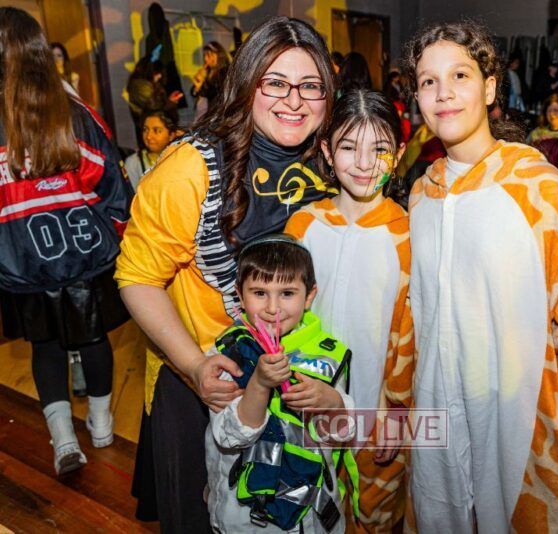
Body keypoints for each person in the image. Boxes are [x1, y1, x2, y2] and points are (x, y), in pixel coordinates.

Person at [115, 17, 337, 532]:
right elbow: (138, 276)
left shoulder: (331, 160)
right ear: (246, 84)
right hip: (207, 379)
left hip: (298, 376)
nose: (294, 101)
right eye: (275, 83)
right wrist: (194, 366)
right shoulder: (190, 167)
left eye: (310, 85)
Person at [402, 20, 558, 533]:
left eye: (460, 75)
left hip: (519, 415)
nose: (443, 92)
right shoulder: (421, 194)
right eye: (428, 81)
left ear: (491, 87)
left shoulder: (538, 187)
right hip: (437, 408)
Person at [0, 7, 132, 475]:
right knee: (94, 340)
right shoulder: (77, 115)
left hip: (23, 265)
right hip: (86, 258)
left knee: (46, 349)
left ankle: (64, 441)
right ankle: (102, 424)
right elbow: (114, 189)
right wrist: (115, 239)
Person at [284, 89, 415, 532]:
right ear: (326, 150)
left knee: (370, 517)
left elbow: (410, 336)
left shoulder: (408, 235)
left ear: (398, 154)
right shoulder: (303, 225)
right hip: (303, 407)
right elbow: (279, 319)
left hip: (373, 417)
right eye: (347, 147)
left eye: (379, 149)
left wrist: (395, 414)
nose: (363, 164)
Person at [206, 236, 356, 533]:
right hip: (246, 517)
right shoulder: (227, 353)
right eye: (259, 293)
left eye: (287, 293)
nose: (273, 308)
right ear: (240, 295)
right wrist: (260, 384)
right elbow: (230, 436)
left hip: (312, 516)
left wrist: (333, 402)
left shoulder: (328, 354)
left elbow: (340, 433)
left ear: (309, 296)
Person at [126, 58, 181, 149]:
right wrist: (170, 103)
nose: (159, 76)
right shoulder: (141, 86)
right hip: (151, 127)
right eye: (156, 73)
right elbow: (154, 107)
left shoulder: (146, 85)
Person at [124, 110, 179, 189]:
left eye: (156, 131)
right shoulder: (134, 162)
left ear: (171, 135)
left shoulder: (180, 158)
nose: (149, 136)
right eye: (145, 130)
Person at [191, 41, 230, 119]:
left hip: (220, 115)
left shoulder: (225, 71)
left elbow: (219, 94)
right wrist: (197, 86)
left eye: (209, 55)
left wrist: (203, 88)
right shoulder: (206, 71)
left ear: (219, 55)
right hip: (207, 113)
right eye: (204, 55)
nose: (205, 59)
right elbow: (193, 93)